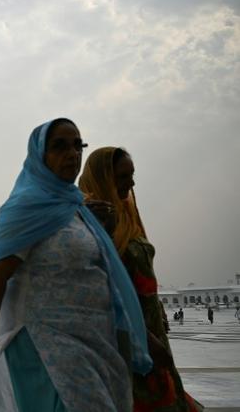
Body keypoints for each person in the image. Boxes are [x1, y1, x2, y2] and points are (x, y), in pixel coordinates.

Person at [0, 119, 152, 412]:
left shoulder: (77, 209)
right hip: (46, 346)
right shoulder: (25, 208)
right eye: (59, 146)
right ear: (40, 155)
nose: (72, 153)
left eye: (78, 145)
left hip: (94, 343)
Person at [80, 145, 203, 412]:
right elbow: (99, 283)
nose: (131, 183)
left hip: (148, 323)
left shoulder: (126, 212)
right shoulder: (90, 216)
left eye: (132, 175)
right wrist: (142, 336)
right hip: (123, 332)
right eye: (123, 177)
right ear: (103, 178)